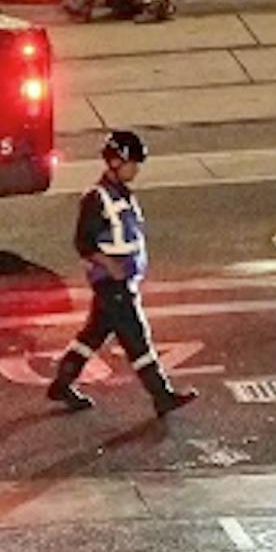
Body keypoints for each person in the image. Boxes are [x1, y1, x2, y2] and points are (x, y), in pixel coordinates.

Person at [47, 130, 196, 418]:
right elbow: (83, 242)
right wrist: (108, 264)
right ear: (116, 162)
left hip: (121, 281)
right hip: (112, 284)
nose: (136, 170)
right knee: (136, 338)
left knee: (92, 335)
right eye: (133, 163)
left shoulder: (122, 194)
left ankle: (61, 384)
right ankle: (161, 395)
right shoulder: (96, 198)